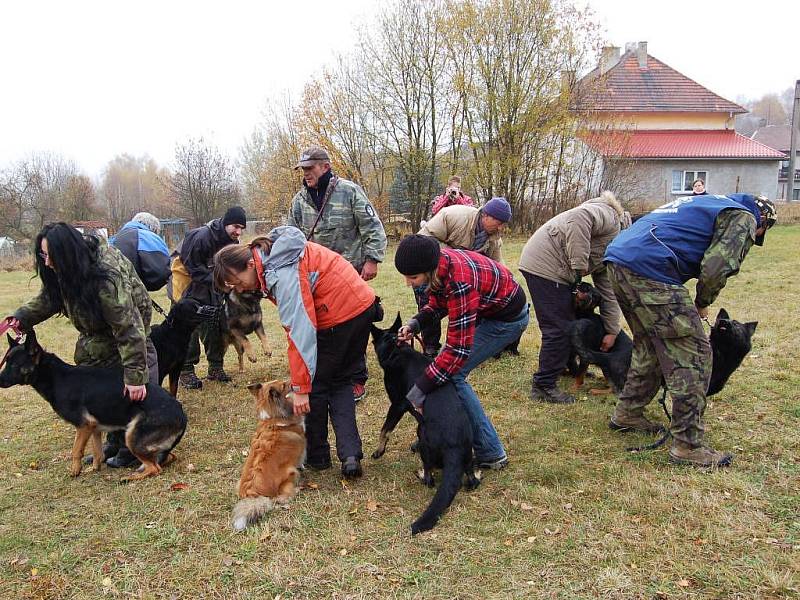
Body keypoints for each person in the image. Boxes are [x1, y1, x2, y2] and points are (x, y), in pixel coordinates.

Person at [604, 193, 777, 467]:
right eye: (760, 232)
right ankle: (688, 446)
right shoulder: (744, 215)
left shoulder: (708, 203)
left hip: (618, 261)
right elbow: (717, 266)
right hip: (650, 270)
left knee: (649, 346)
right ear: (763, 219)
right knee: (694, 356)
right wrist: (702, 302)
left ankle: (628, 413)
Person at [212, 226, 380, 478]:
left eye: (237, 282)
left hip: (340, 314)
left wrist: (301, 388)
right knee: (341, 380)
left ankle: (317, 456)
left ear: (249, 264)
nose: (239, 289)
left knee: (318, 385)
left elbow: (300, 330)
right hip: (361, 305)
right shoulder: (277, 254)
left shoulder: (281, 270)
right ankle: (350, 455)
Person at [7, 222, 158, 467]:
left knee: (132, 390)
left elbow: (129, 327)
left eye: (51, 256)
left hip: (130, 331)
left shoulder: (106, 275)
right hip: (96, 334)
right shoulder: (67, 269)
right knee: (96, 385)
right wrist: (20, 318)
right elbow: (49, 299)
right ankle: (113, 443)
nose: (47, 263)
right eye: (43, 256)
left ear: (67, 254)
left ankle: (135, 447)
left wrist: (135, 375)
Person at [394, 235, 529, 470]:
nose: (408, 283)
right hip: (489, 311)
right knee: (443, 372)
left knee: (452, 374)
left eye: (412, 277)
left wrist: (419, 389)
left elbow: (457, 352)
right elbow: (437, 304)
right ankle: (438, 434)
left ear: (429, 269)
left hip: (506, 321)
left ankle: (490, 452)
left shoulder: (460, 283)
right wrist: (415, 324)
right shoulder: (441, 265)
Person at [287, 146, 386, 401]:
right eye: (303, 169)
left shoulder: (349, 191)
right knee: (321, 326)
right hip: (315, 277)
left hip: (349, 272)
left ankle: (356, 378)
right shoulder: (299, 200)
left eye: (310, 168)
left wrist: (372, 259)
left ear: (325, 167)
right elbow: (291, 236)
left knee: (352, 327)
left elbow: (371, 225)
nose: (306, 174)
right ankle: (326, 374)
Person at [519, 191, 630, 404]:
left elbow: (608, 293)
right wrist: (579, 266)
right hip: (545, 266)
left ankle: (562, 368)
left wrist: (612, 331)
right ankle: (543, 385)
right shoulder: (610, 217)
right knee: (560, 328)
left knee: (569, 323)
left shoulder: (610, 248)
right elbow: (579, 218)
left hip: (553, 268)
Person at [414, 197, 512, 356]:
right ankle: (430, 344)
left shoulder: (494, 240)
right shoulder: (453, 215)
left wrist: (508, 282)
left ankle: (473, 344)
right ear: (486, 215)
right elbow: (424, 239)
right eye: (499, 222)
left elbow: (498, 265)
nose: (501, 228)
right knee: (429, 302)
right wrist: (446, 258)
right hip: (433, 267)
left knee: (475, 302)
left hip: (462, 277)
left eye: (503, 224)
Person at [178, 206, 246, 389]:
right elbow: (193, 268)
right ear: (225, 223)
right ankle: (185, 371)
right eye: (235, 226)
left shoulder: (233, 243)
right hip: (187, 285)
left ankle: (215, 368)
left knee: (215, 323)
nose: (238, 231)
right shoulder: (202, 237)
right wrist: (221, 281)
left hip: (211, 287)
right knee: (189, 329)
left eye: (242, 228)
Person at [110, 212, 171, 291]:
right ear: (154, 229)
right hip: (136, 290)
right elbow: (160, 273)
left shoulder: (113, 239)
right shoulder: (149, 237)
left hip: (112, 288)